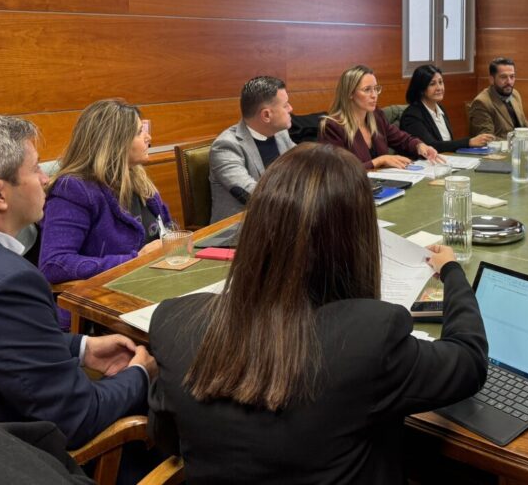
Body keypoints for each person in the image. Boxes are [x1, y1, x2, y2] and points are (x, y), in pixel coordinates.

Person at [147, 143, 487, 483]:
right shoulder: (369, 337)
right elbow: (468, 360)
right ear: (358, 240)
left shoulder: (173, 322)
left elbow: (168, 438)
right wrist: (452, 273)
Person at [0, 115, 153, 448]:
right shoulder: (7, 282)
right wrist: (141, 373)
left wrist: (81, 348)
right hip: (9, 454)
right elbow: (79, 418)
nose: (45, 179)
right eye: (37, 168)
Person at [39, 99, 171, 327]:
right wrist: (135, 261)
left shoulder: (138, 178)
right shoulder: (74, 189)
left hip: (149, 290)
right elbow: (54, 264)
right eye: (141, 132)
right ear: (116, 142)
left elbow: (167, 229)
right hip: (99, 308)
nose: (149, 138)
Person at [209, 75, 296, 222]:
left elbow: (302, 166)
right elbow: (252, 194)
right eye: (285, 105)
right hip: (239, 231)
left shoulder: (281, 134)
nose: (290, 108)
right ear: (266, 115)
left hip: (281, 221)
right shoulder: (226, 146)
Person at [319, 64, 440, 169]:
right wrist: (379, 161)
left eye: (376, 89)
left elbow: (402, 139)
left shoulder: (376, 116)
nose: (374, 95)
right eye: (367, 90)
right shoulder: (332, 126)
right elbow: (337, 171)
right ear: (350, 93)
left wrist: (420, 146)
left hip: (382, 186)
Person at [400, 64, 494, 152]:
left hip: (447, 159)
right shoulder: (412, 115)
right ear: (421, 89)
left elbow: (447, 142)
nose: (439, 88)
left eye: (441, 82)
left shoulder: (440, 108)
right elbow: (430, 146)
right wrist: (468, 142)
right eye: (432, 84)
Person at [468, 57, 528, 139]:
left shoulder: (515, 94)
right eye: (503, 77)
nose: (509, 82)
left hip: (519, 147)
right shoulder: (482, 102)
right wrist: (514, 143)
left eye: (512, 77)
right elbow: (487, 138)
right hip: (500, 150)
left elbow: (523, 124)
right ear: (491, 80)